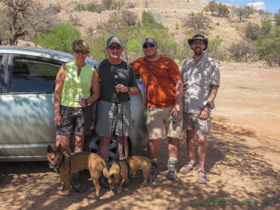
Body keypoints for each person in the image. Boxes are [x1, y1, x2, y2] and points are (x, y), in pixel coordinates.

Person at [130, 37, 183, 181]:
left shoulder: (168, 62)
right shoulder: (140, 63)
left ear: (156, 46)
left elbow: (179, 83)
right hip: (153, 108)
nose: (148, 48)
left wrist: (178, 104)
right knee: (153, 139)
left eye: (151, 45)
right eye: (145, 46)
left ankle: (172, 165)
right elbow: (126, 70)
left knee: (173, 136)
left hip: (172, 106)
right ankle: (153, 165)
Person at [54, 40, 100, 191]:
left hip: (83, 110)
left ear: (87, 53)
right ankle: (64, 174)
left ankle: (74, 176)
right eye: (77, 51)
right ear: (73, 52)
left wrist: (88, 101)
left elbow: (96, 93)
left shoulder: (92, 71)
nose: (80, 54)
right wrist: (57, 112)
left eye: (83, 51)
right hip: (66, 109)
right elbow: (57, 91)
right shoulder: (65, 68)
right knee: (62, 145)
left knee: (79, 143)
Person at [180, 34, 220, 184]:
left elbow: (214, 87)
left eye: (201, 43)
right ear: (191, 46)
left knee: (201, 139)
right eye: (195, 43)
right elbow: (182, 85)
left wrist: (207, 106)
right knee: (189, 136)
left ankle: (202, 168)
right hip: (187, 106)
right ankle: (191, 161)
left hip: (202, 108)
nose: (197, 45)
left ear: (204, 46)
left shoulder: (211, 63)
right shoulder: (187, 63)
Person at [94, 36, 138, 164]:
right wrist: (93, 110)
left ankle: (123, 169)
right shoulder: (99, 66)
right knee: (104, 139)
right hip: (104, 105)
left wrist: (126, 89)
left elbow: (135, 89)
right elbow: (94, 90)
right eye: (112, 47)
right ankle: (104, 171)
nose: (115, 50)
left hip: (123, 105)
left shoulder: (128, 68)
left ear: (122, 49)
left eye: (117, 47)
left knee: (123, 139)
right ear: (107, 49)